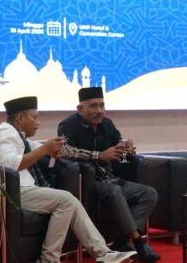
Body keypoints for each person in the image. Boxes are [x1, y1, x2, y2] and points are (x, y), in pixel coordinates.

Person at [0, 96, 136, 263]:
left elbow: (44, 150)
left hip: (24, 189)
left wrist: (54, 150)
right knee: (66, 200)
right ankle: (50, 259)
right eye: (35, 117)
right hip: (12, 191)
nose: (38, 123)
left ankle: (103, 254)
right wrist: (44, 150)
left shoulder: (20, 137)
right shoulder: (5, 132)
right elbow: (9, 165)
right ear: (20, 118)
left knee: (70, 202)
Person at [58, 87, 160, 262]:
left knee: (149, 193)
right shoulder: (68, 125)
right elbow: (65, 151)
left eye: (102, 105)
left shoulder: (107, 124)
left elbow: (119, 149)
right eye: (93, 106)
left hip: (111, 179)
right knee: (114, 191)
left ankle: (121, 241)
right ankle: (138, 243)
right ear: (80, 109)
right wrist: (98, 155)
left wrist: (128, 151)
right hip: (89, 183)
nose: (99, 111)